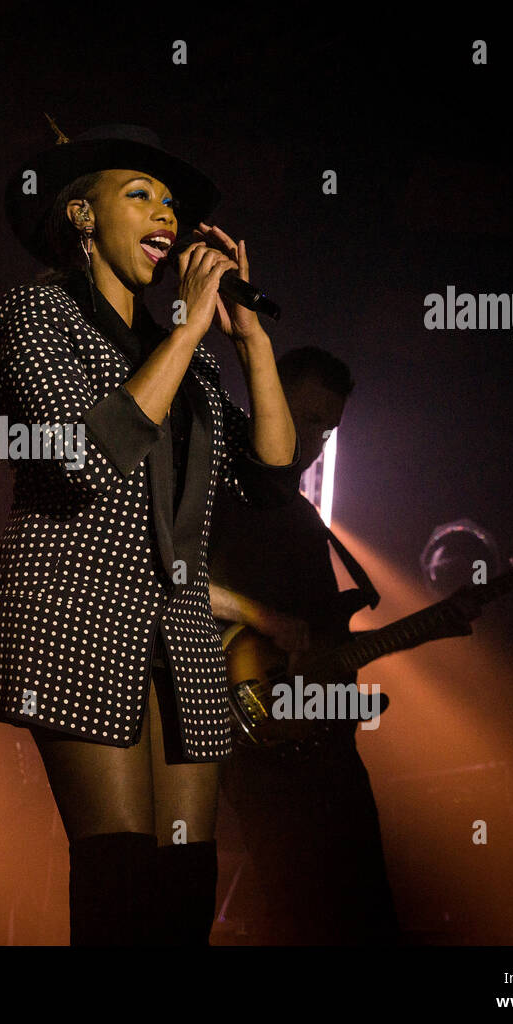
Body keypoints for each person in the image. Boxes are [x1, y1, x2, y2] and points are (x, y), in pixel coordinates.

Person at [0, 124, 299, 945]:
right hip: (76, 608)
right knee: (120, 878)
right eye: (140, 193)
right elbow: (88, 458)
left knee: (183, 885)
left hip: (178, 628)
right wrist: (188, 331)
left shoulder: (183, 352)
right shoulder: (38, 312)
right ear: (81, 216)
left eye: (172, 202)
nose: (165, 213)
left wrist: (247, 342)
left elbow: (271, 478)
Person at [208, 346, 400, 944]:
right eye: (305, 416)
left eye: (327, 426)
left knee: (366, 914)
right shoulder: (224, 489)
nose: (314, 439)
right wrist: (261, 618)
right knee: (299, 913)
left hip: (328, 742)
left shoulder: (302, 513)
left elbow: (321, 630)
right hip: (263, 741)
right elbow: (174, 576)